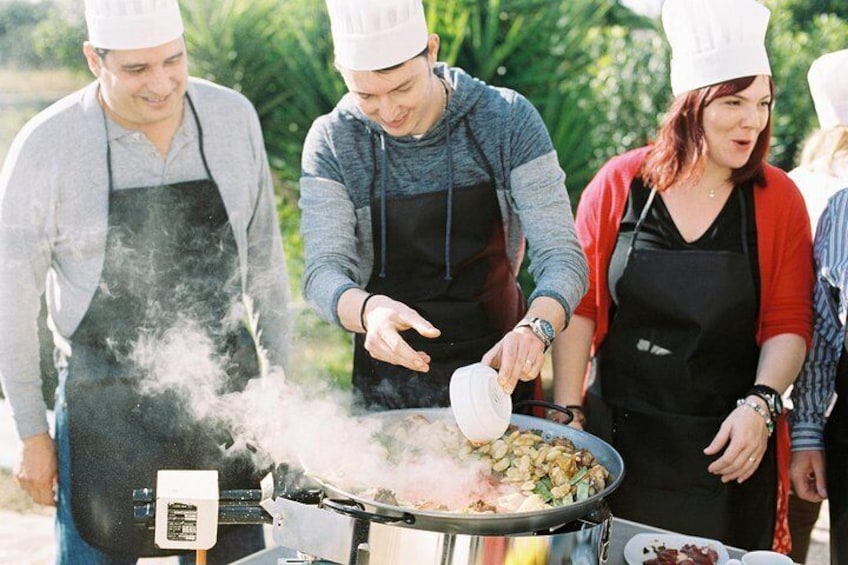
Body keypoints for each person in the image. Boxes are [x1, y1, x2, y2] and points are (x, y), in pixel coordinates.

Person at [0, 0, 291, 562]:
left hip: (221, 405)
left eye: (173, 60)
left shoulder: (232, 119)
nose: (161, 84)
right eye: (136, 69)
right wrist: (32, 432)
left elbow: (268, 271)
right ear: (94, 59)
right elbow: (11, 303)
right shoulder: (47, 146)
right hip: (103, 409)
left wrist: (279, 396)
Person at [551, 0, 813, 551]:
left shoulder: (777, 199)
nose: (753, 120)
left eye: (763, 103)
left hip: (726, 450)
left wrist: (761, 405)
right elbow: (583, 307)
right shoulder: (620, 183)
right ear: (691, 106)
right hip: (616, 443)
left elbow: (788, 322)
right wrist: (568, 411)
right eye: (734, 102)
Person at [299, 0, 588, 411]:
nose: (389, 110)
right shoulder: (333, 141)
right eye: (365, 95)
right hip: (386, 386)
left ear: (431, 51)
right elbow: (322, 272)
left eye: (402, 87)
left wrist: (536, 328)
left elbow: (562, 257)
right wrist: (368, 312)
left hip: (499, 371)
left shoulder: (505, 119)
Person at [786, 48, 848, 565]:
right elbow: (822, 330)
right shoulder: (834, 202)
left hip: (797, 393)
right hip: (807, 391)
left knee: (796, 521)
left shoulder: (800, 181)